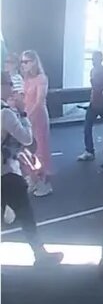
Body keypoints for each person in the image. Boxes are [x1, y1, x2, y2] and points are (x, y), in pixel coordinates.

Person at [1, 75, 62, 264]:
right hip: (6, 173)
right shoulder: (6, 113)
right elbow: (27, 138)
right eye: (9, 85)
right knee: (25, 214)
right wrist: (23, 113)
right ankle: (40, 254)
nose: (12, 89)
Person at [19, 51, 52, 196]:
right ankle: (33, 179)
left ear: (34, 62)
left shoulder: (41, 78)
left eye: (26, 61)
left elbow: (39, 101)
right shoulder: (26, 79)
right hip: (27, 115)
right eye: (22, 62)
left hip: (38, 117)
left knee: (39, 150)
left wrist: (27, 116)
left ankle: (44, 183)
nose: (24, 65)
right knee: (26, 149)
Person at [79, 50, 103, 162]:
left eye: (95, 59)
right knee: (87, 127)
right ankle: (89, 151)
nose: (93, 61)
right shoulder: (93, 71)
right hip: (94, 102)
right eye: (93, 59)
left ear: (100, 59)